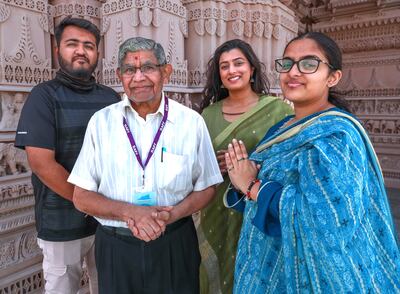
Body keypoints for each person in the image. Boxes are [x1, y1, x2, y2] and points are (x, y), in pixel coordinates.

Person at [224, 32, 400, 293]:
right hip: (267, 259)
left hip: (308, 274)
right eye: (287, 63)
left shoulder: (336, 135)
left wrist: (251, 185)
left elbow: (326, 219)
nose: (293, 72)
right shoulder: (282, 127)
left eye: (309, 64)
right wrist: (242, 176)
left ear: (333, 76)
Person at [68, 36, 223, 294]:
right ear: (120, 75)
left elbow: (207, 187)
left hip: (174, 244)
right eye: (130, 69)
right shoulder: (101, 123)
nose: (138, 77)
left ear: (166, 71)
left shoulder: (191, 122)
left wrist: (171, 214)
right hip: (117, 248)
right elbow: (81, 197)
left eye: (148, 68)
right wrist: (130, 212)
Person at [14, 17, 120, 294]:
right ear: (57, 49)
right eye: (72, 44)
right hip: (60, 223)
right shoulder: (43, 97)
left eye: (89, 45)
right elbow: (41, 162)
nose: (81, 51)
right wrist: (87, 202)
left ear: (98, 53)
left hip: (108, 221)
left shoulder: (110, 99)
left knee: (109, 286)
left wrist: (109, 208)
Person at [199, 39, 293, 294]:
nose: (232, 70)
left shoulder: (278, 110)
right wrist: (212, 166)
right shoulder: (208, 114)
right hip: (215, 205)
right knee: (218, 268)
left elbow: (288, 161)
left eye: (238, 63)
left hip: (259, 203)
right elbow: (196, 163)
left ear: (252, 69)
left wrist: (247, 167)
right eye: (224, 66)